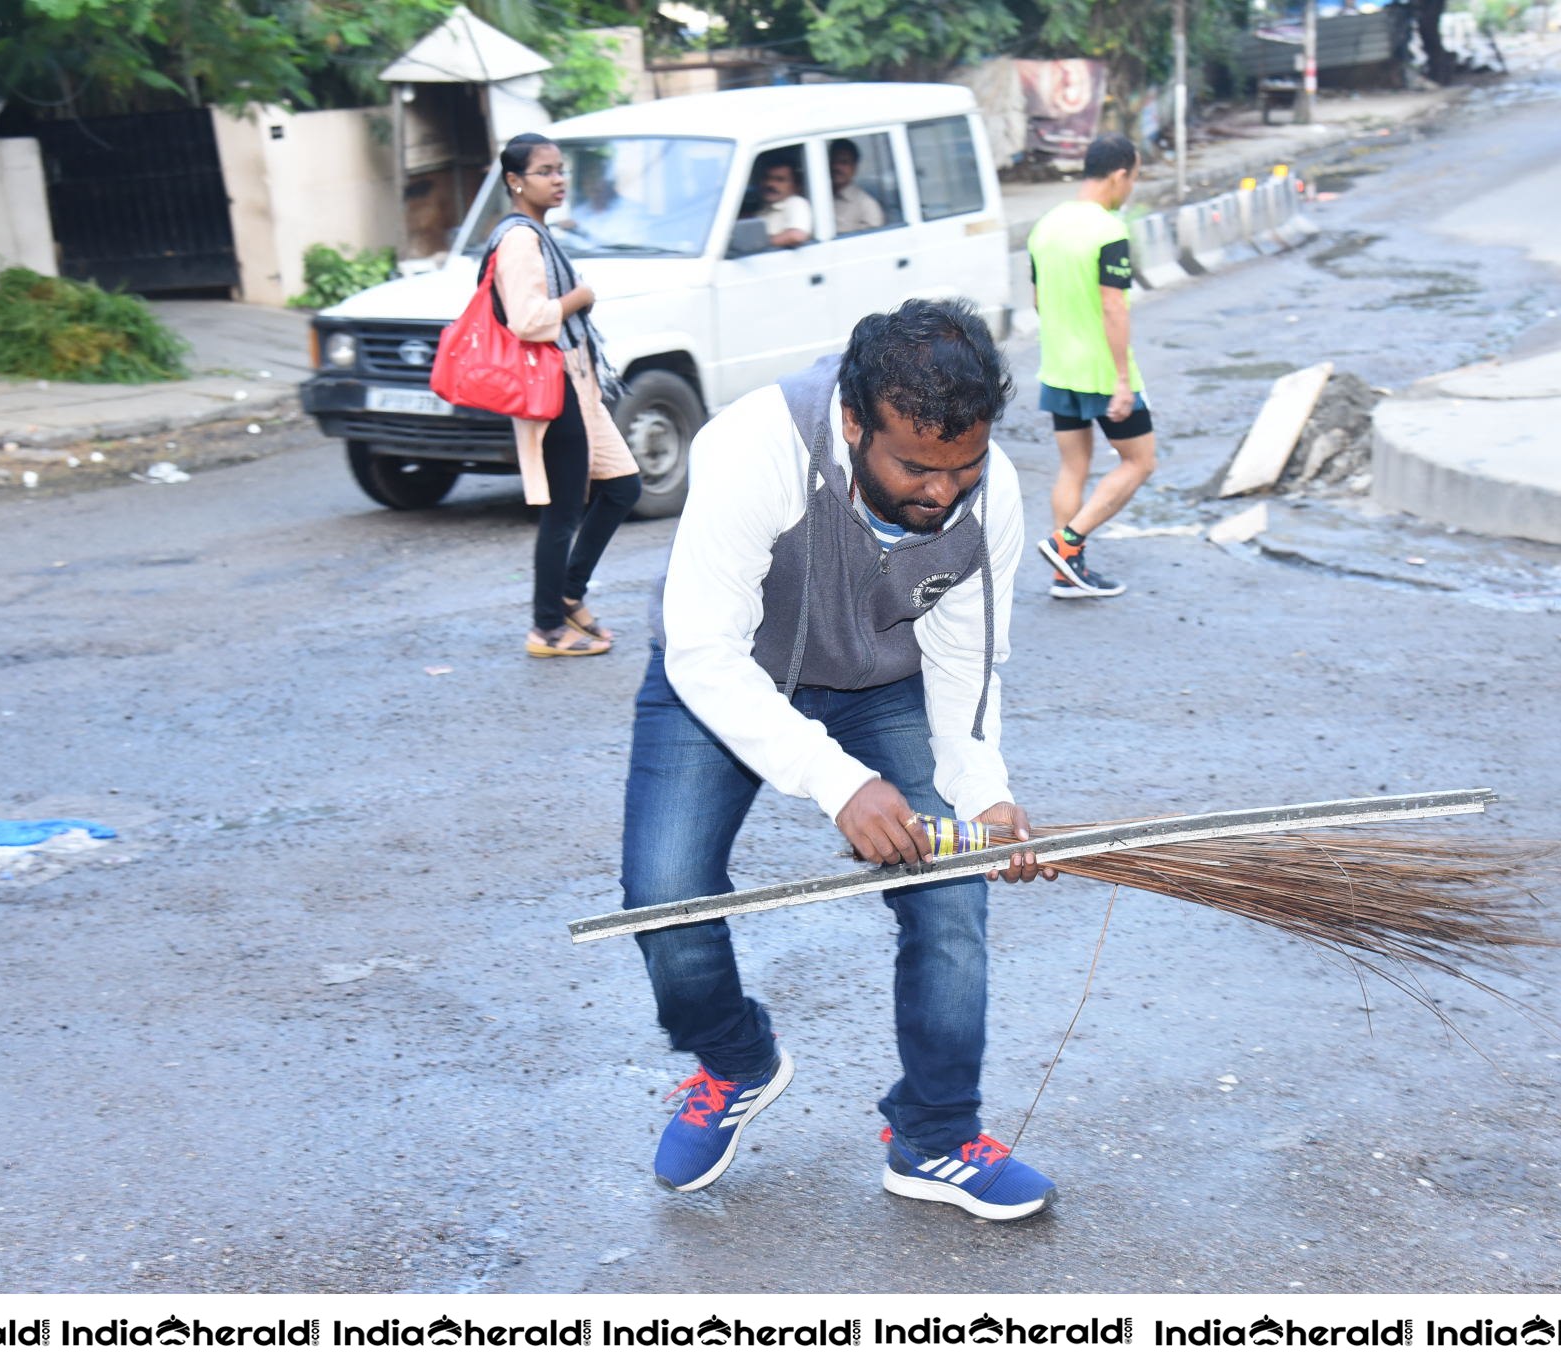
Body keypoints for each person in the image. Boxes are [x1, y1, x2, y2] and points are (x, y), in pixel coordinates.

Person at [621, 298, 1060, 1221]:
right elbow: (703, 649)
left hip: (880, 679)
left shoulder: (993, 495)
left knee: (950, 890)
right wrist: (840, 781)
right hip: (728, 667)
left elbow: (967, 661)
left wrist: (985, 797)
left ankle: (935, 1135)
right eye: (914, 466)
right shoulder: (755, 446)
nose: (943, 491)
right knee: (664, 891)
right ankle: (735, 1058)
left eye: (963, 464)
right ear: (854, 422)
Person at [480, 133, 643, 658]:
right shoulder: (519, 240)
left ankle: (569, 593)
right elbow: (528, 319)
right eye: (545, 171)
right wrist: (580, 297)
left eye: (560, 170)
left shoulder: (537, 233)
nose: (558, 180)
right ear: (514, 181)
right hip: (552, 387)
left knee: (623, 486)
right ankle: (546, 627)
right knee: (563, 510)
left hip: (577, 382)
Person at [1024, 132, 1158, 601]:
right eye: (1134, 178)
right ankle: (1068, 543)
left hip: (1058, 367)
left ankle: (1067, 574)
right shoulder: (1107, 230)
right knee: (1140, 461)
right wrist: (1121, 380)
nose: (1132, 188)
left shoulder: (1046, 225)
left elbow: (1039, 300)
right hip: (1102, 373)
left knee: (1072, 467)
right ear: (1120, 174)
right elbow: (1114, 309)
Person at [751, 156, 814, 248]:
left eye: (780, 180)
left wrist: (757, 246)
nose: (770, 184)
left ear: (796, 185)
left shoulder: (796, 203)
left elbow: (796, 236)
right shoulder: (766, 207)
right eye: (767, 178)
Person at [829, 138, 886, 234]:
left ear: (854, 167)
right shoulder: (819, 198)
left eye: (844, 162)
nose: (836, 167)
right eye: (833, 162)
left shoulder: (867, 206)